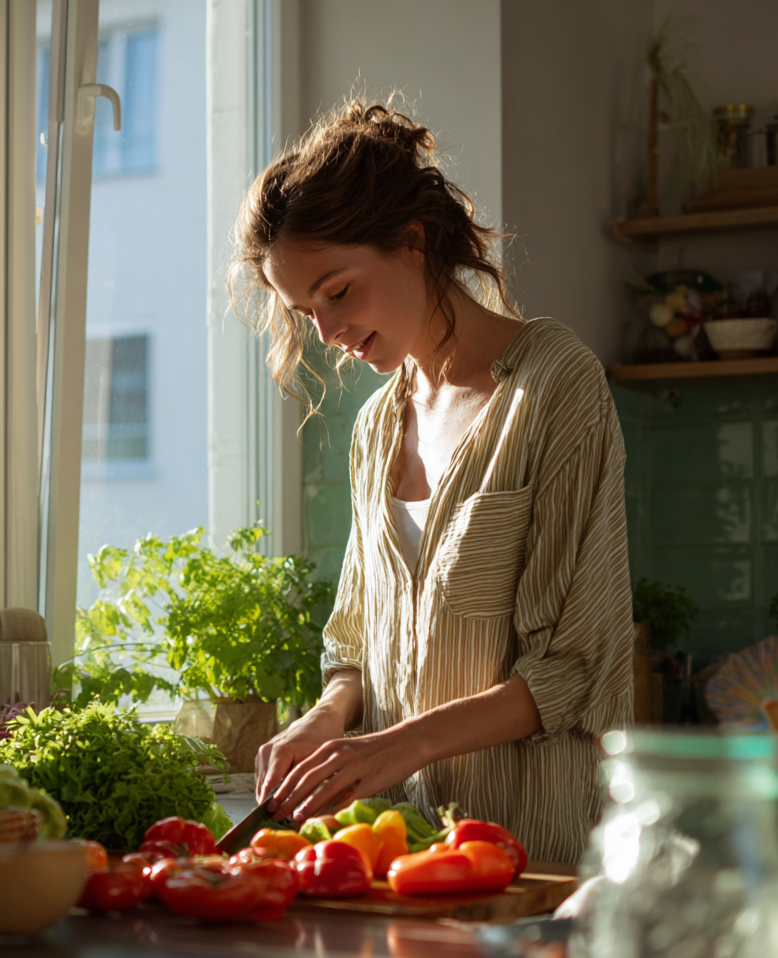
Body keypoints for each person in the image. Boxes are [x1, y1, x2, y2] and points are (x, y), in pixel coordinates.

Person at [229, 102, 633, 864]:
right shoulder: (376, 428)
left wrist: (394, 747)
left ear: (412, 243)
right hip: (395, 864)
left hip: (529, 868)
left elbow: (575, 671)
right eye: (303, 311)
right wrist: (326, 715)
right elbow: (354, 639)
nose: (327, 333)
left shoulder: (553, 386)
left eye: (338, 291)